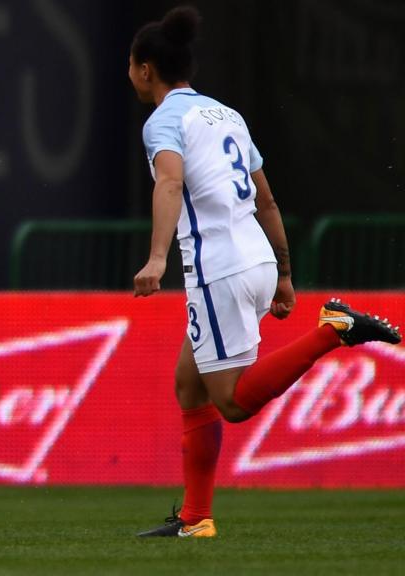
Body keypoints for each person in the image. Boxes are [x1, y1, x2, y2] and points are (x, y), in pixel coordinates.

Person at [128, 5, 400, 538]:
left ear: (144, 69)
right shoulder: (227, 115)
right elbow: (268, 200)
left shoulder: (163, 120)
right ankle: (196, 519)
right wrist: (283, 273)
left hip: (218, 270)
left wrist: (158, 258)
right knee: (191, 385)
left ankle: (332, 330)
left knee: (230, 401)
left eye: (131, 66)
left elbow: (169, 185)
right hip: (254, 258)